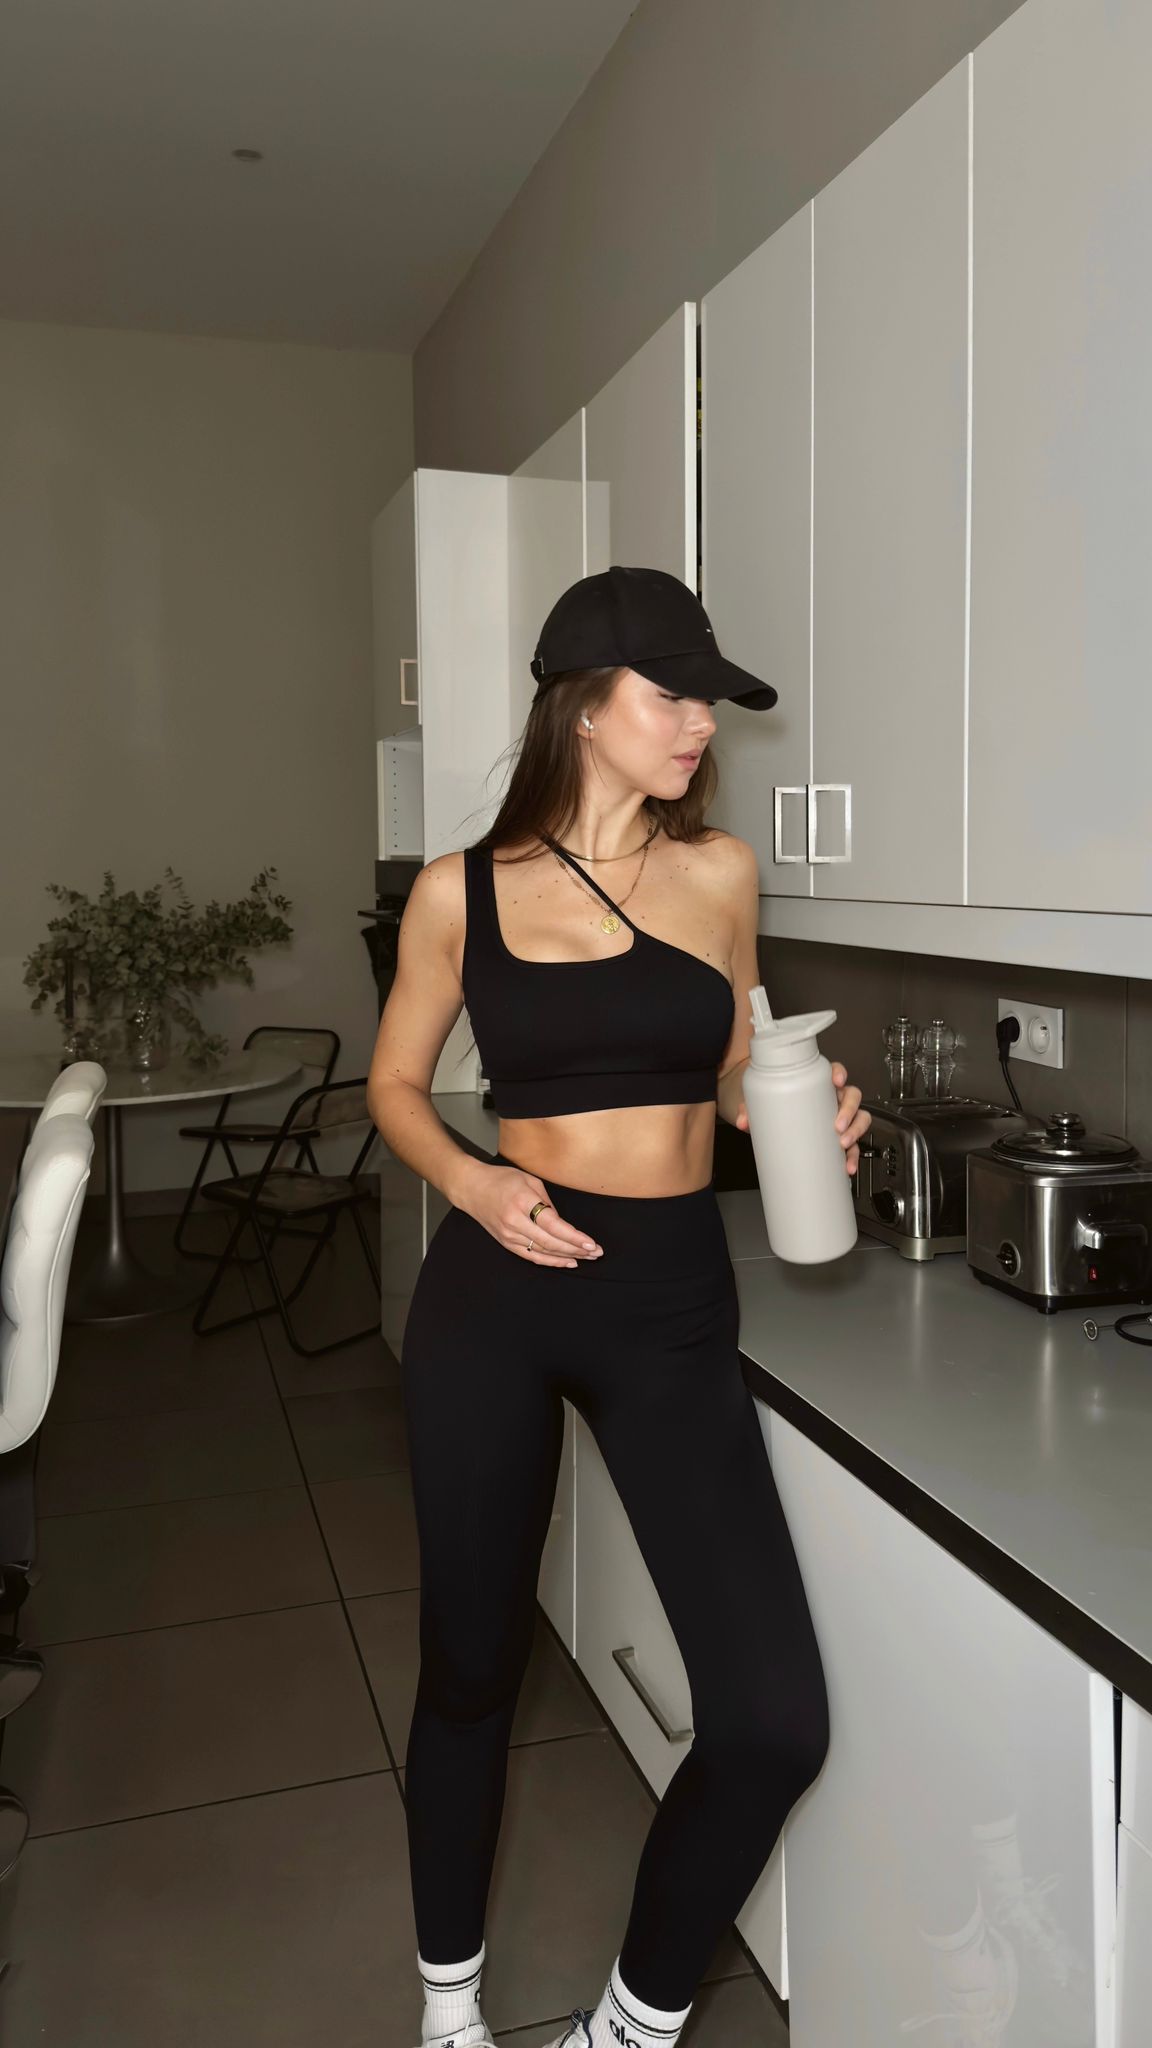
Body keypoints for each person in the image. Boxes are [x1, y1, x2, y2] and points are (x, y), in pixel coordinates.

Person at [368, 565, 872, 2048]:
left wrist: (800, 1106)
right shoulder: (459, 891)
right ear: (584, 708)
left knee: (772, 1717)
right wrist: (472, 1183)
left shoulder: (720, 875)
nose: (703, 724)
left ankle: (631, 2028)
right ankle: (449, 2007)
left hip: (668, 1299)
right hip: (497, 1290)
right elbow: (394, 1084)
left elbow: (728, 1065)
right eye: (675, 695)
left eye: (711, 700)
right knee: (472, 1668)